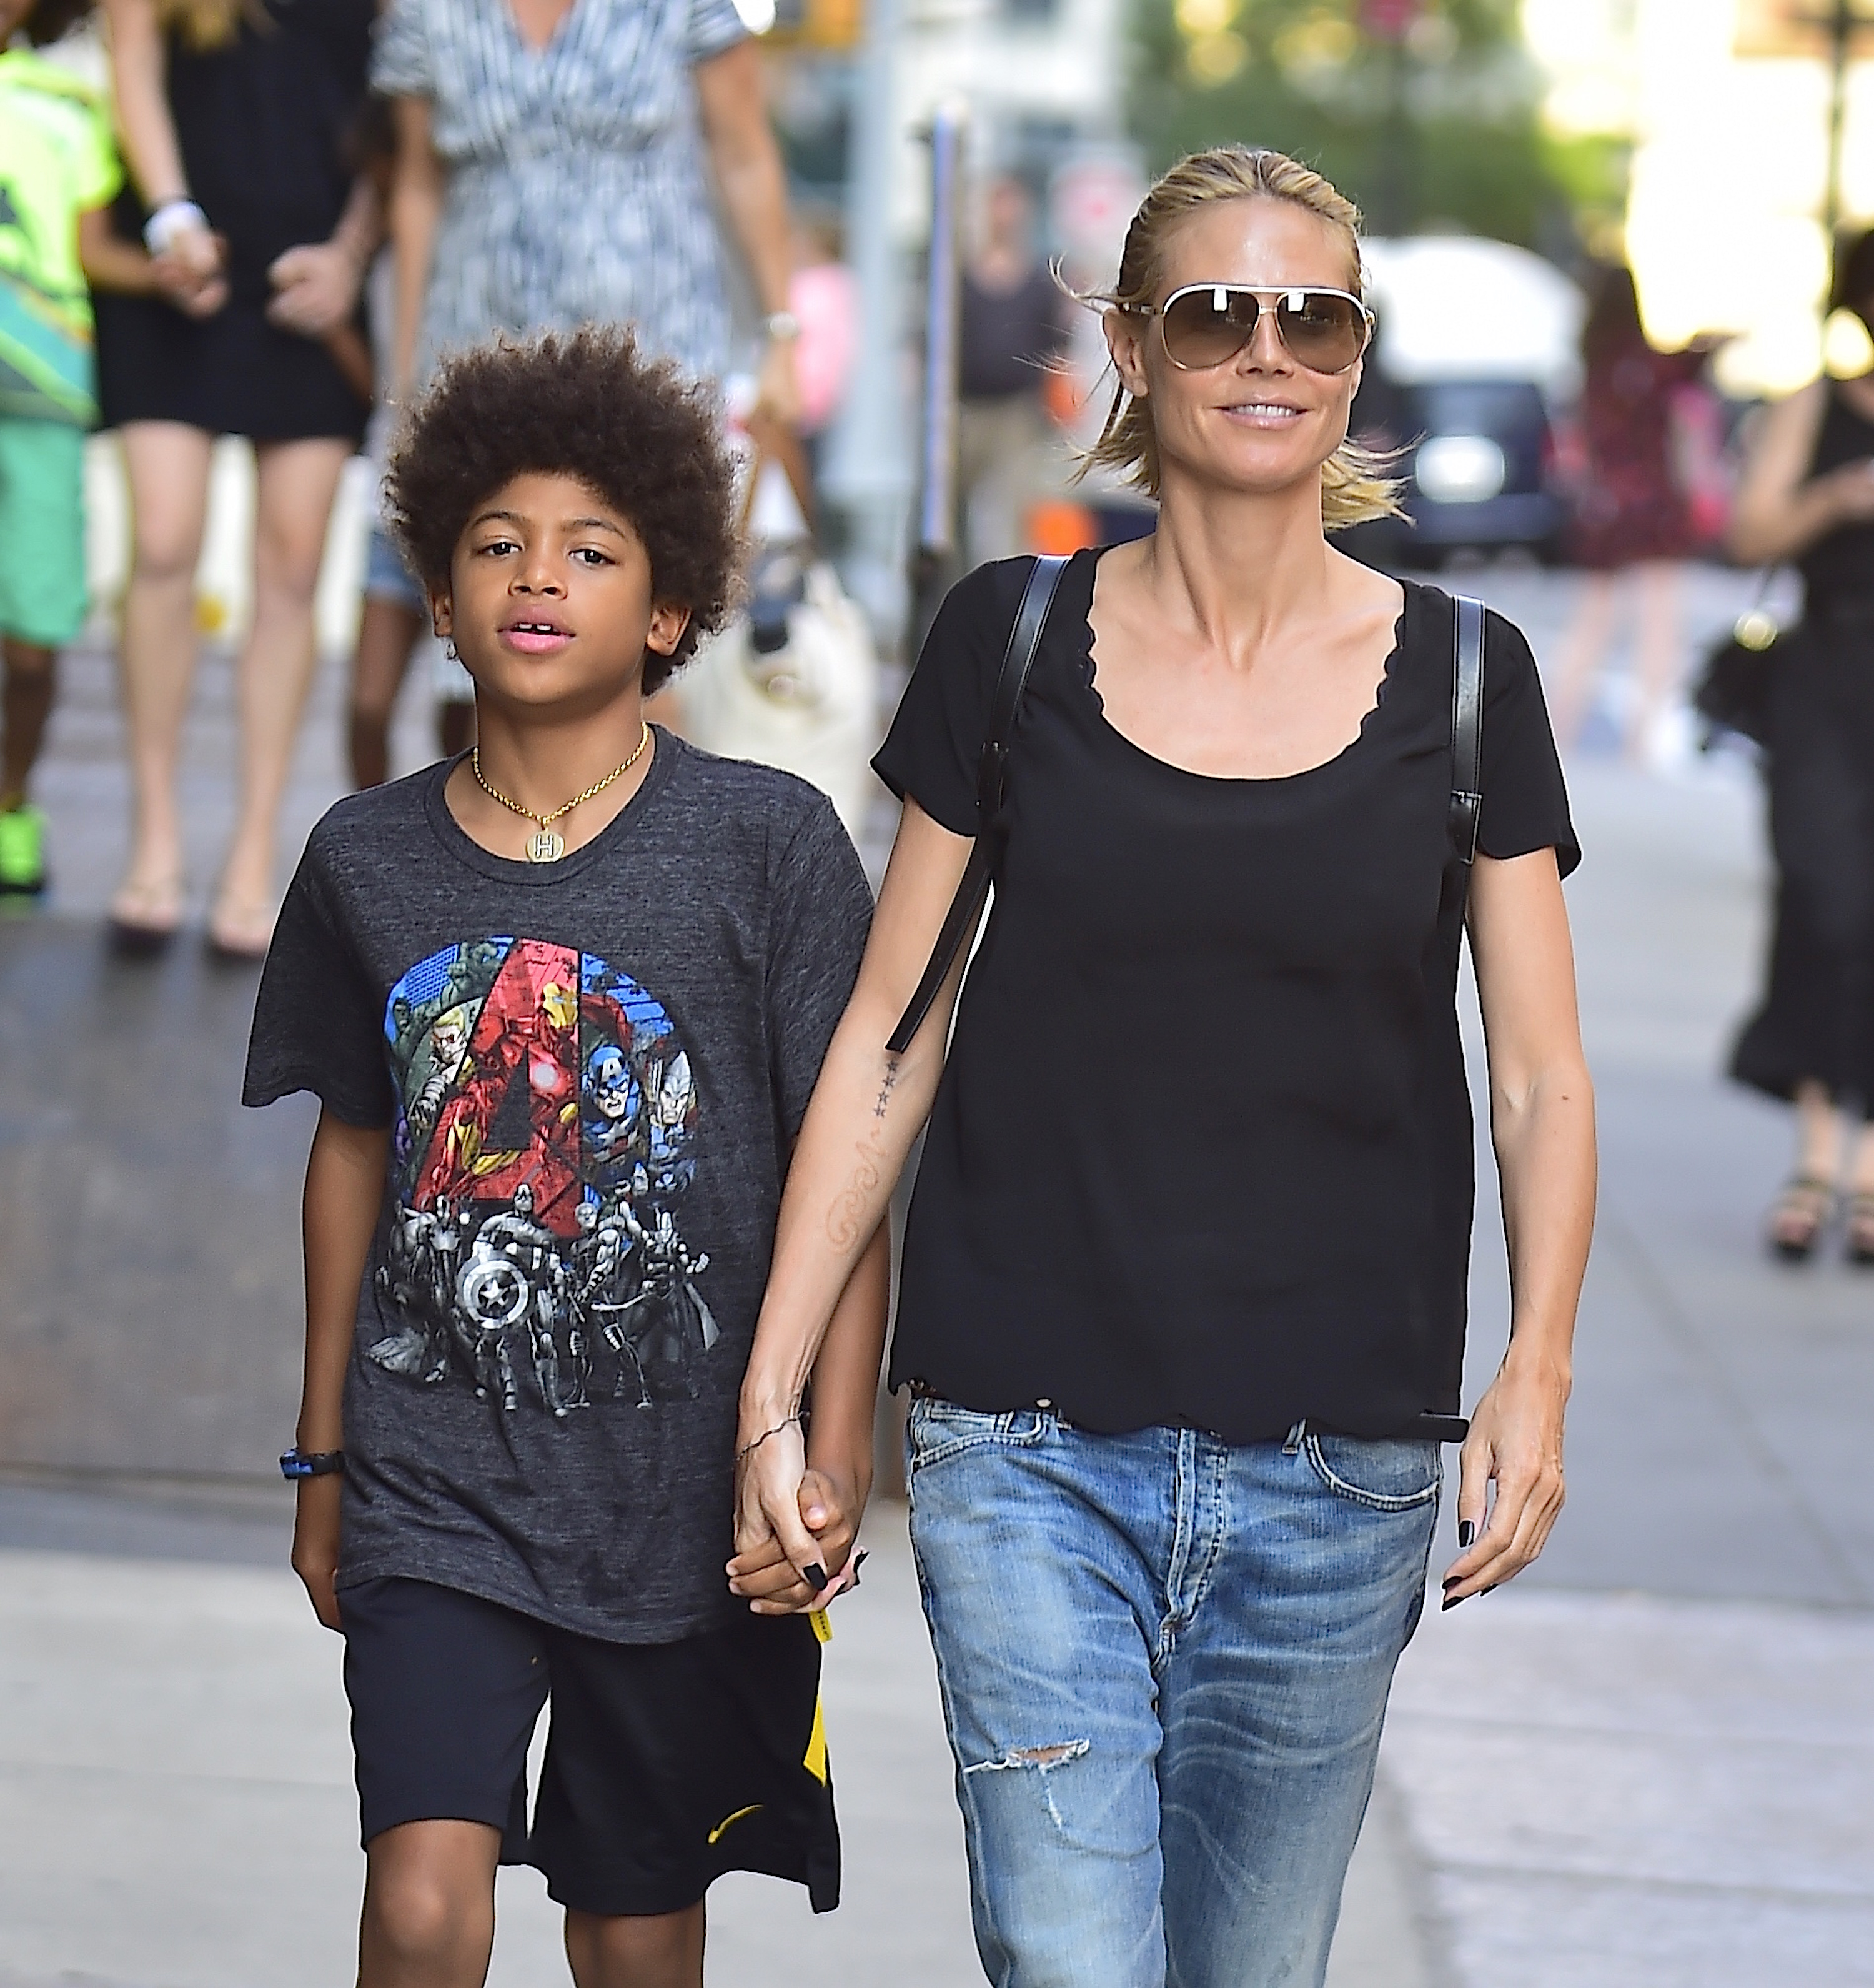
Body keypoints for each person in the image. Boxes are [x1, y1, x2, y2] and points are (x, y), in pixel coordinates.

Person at [730, 146, 1596, 1988]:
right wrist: (783, 1385)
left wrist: (1535, 1356)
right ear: (1132, 344)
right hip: (1024, 1447)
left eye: (1314, 315)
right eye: (1212, 310)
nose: (1263, 349)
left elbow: (1536, 1075)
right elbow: (891, 1037)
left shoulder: (1466, 678)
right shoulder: (1008, 642)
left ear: (1356, 358)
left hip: (1341, 1467)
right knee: (1068, 1959)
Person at [241, 327, 885, 1987]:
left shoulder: (772, 846)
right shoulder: (363, 856)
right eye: (497, 544)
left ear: (669, 611)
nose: (541, 576)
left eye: (594, 548)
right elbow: (352, 1155)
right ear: (441, 604)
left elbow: (852, 1172)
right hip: (432, 1482)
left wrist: (830, 1449)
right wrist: (324, 1460)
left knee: (635, 1928)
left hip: (681, 1502)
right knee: (423, 1900)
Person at [94, 0, 378, 955]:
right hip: (177, 261)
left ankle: (255, 847)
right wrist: (170, 214)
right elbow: (128, 50)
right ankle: (156, 838)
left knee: (293, 567)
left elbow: (402, 116)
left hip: (308, 280)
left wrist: (350, 257)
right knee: (165, 539)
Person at [374, 0, 803, 422]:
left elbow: (745, 158)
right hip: (480, 345)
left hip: (655, 345)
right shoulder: (428, 9)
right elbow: (418, 185)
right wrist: (406, 366)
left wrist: (780, 336)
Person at [0, 0, 190, 894]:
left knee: (34, 643)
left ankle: (9, 804)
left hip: (42, 405)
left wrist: (173, 270)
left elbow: (89, 250)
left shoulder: (71, 104)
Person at [1726, 227, 1874, 1265]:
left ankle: (1863, 1170)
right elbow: (1746, 533)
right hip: (1825, 680)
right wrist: (1837, 498)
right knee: (1823, 896)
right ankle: (1818, 1146)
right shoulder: (1814, 407)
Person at [340, 92, 473, 791]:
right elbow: (384, 385)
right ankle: (374, 841)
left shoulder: (477, 260)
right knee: (367, 703)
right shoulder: (385, 262)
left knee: (468, 717)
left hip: (471, 502)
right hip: (391, 501)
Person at [1549, 264, 1718, 762]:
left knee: (1592, 621)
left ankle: (1558, 726)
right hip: (1655, 502)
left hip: (1605, 503)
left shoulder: (1592, 365)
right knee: (1660, 620)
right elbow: (1692, 369)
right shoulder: (1653, 366)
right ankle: (1641, 737)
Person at [957, 174, 1069, 564]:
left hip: (1017, 411)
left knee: (1013, 510)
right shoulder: (961, 278)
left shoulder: (1039, 281)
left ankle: (1008, 598)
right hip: (963, 409)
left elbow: (1058, 346)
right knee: (950, 513)